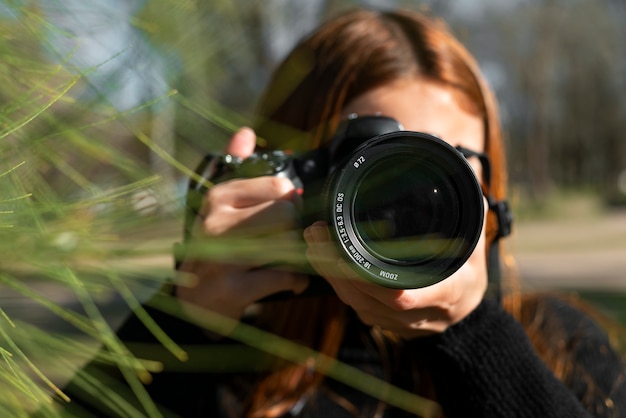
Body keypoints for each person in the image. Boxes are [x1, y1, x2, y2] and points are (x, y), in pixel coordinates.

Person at [59, 7, 625, 418]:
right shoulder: (228, 361)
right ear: (296, 174)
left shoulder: (561, 346)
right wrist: (180, 325)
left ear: (491, 189)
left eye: (449, 161)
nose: (413, 197)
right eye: (376, 164)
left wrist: (478, 338)